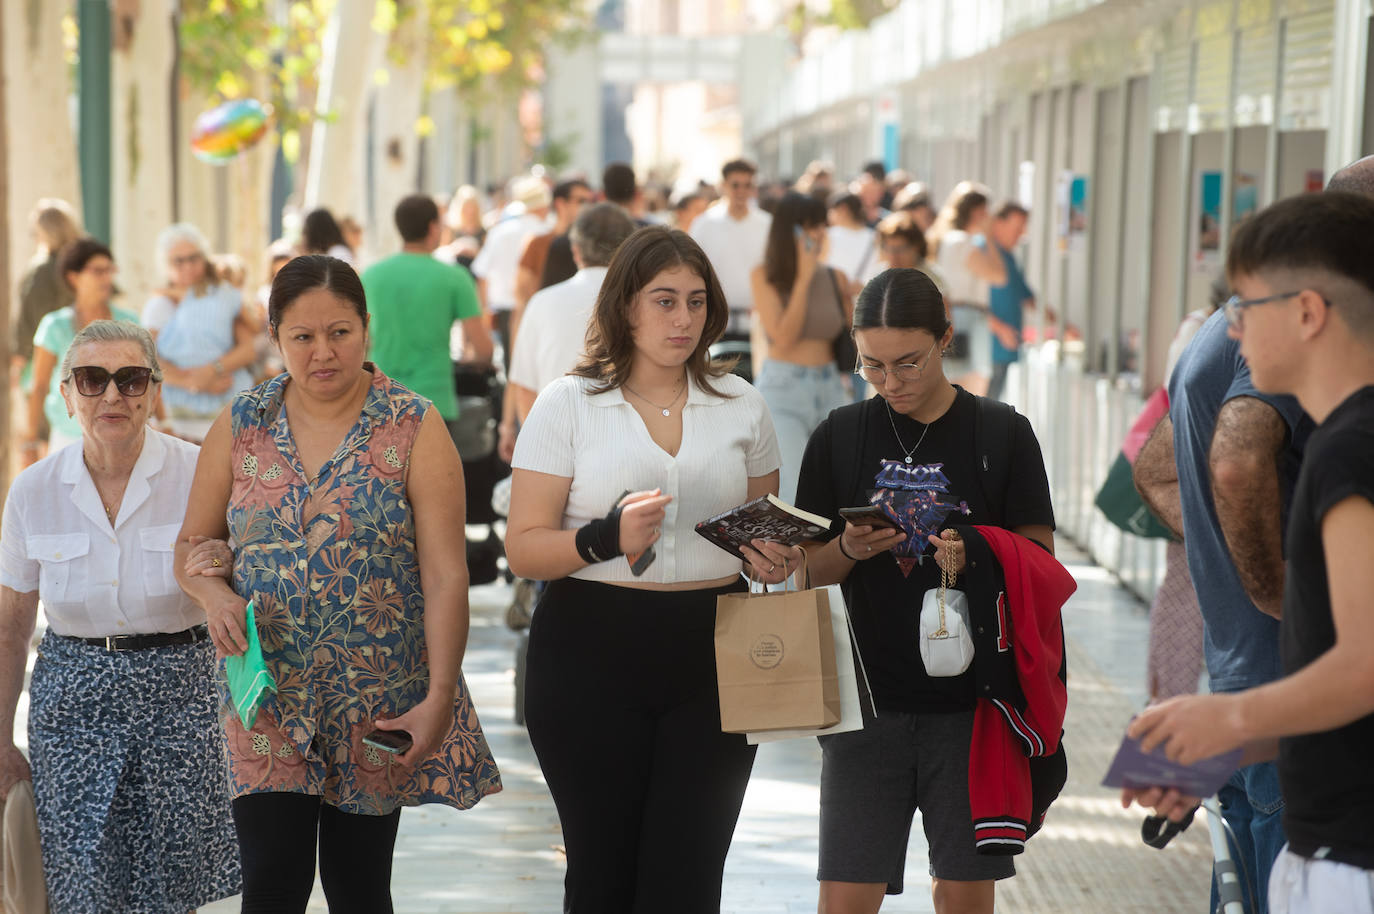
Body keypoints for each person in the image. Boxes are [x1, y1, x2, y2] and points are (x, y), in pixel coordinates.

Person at [173, 254, 501, 912]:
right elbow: (192, 544)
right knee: (271, 881)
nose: (323, 351)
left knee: (358, 885)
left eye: (340, 332)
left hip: (378, 697)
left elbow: (444, 573)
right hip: (265, 691)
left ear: (366, 328)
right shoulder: (243, 424)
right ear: (276, 336)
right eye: (303, 336)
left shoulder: (412, 425)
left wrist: (440, 694)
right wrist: (212, 592)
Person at [505, 225, 792, 913]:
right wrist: (602, 537)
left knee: (689, 880)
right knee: (602, 877)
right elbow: (523, 546)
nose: (684, 318)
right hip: (588, 654)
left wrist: (775, 559)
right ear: (625, 304)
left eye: (696, 301)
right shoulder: (567, 403)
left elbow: (767, 529)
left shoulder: (741, 403)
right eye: (664, 300)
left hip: (715, 654)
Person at [1126, 191, 1374, 914]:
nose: (1228, 328)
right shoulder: (1337, 441)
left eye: (1245, 308)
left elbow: (1362, 667)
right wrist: (1222, 741)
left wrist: (1229, 720)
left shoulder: (1350, 452)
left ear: (1307, 313)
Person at [793, 268, 1058, 914]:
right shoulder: (839, 436)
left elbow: (1045, 566)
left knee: (963, 897)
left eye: (908, 362)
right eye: (872, 367)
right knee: (843, 900)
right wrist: (849, 549)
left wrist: (982, 552)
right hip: (862, 710)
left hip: (974, 713)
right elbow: (803, 575)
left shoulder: (1000, 433)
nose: (892, 383)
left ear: (945, 339)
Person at [0, 320, 240, 912]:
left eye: (130, 379)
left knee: (173, 881)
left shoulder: (198, 473)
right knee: (80, 879)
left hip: (181, 695)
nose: (112, 396)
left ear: (154, 391)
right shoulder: (33, 490)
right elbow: (10, 625)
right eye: (92, 379)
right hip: (72, 700)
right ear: (66, 393)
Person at [1132, 264, 1312, 914]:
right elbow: (1235, 465)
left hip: (1241, 694)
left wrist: (1233, 562)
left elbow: (1156, 473)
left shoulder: (1223, 326)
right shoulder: (1300, 330)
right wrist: (1282, 597)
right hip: (1294, 699)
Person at [363, 193, 493, 452]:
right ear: (434, 227)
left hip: (380, 399)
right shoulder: (454, 277)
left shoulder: (371, 276)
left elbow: (362, 343)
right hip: (434, 402)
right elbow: (484, 350)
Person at [750, 191, 854, 503]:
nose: (821, 234)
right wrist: (803, 279)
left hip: (831, 386)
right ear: (790, 231)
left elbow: (853, 336)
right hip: (785, 389)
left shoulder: (836, 277)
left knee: (841, 487)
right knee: (792, 491)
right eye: (811, 227)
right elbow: (782, 337)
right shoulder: (764, 275)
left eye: (823, 226)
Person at [505, 202, 637, 446]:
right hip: (629, 441)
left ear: (575, 251)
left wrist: (536, 447)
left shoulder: (542, 302)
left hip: (556, 440)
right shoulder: (643, 301)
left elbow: (525, 387)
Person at [24, 239, 141, 461]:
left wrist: (163, 422)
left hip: (123, 438)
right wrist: (29, 441)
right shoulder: (54, 326)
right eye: (98, 271)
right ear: (73, 277)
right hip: (67, 438)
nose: (106, 278)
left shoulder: (129, 321)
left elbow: (148, 374)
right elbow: (39, 386)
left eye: (109, 270)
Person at [142, 222, 259, 442]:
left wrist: (212, 370)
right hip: (177, 419)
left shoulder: (222, 299)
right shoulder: (158, 305)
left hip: (227, 411)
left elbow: (248, 349)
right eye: (179, 260)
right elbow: (148, 360)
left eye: (193, 258)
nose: (187, 266)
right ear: (166, 265)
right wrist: (193, 382)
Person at [10, 200, 82, 457]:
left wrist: (18, 361)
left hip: (44, 361)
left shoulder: (42, 270)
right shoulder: (82, 264)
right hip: (80, 360)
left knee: (38, 438)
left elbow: (32, 319)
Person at [928, 183, 1006, 391]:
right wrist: (990, 237)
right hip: (967, 319)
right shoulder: (962, 242)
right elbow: (999, 276)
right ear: (975, 211)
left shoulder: (950, 240)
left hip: (961, 317)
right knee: (970, 388)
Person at [471, 175, 552, 370]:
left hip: (504, 311)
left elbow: (482, 276)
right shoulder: (546, 233)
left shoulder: (500, 232)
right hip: (536, 310)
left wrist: (484, 312)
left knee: (511, 371)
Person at [690, 159, 772, 344]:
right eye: (735, 185)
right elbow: (693, 269)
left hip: (757, 323)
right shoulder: (704, 224)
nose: (742, 191)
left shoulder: (767, 224)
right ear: (724, 186)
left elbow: (776, 271)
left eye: (747, 185)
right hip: (713, 323)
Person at [977, 203, 1050, 402]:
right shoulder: (983, 253)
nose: (1021, 234)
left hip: (1003, 350)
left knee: (990, 406)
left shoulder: (1008, 257)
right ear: (997, 224)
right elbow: (971, 303)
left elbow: (1027, 297)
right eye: (1017, 228)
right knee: (980, 408)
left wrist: (1061, 326)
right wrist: (999, 328)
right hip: (986, 349)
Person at [515, 178, 593, 310]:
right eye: (581, 201)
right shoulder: (537, 243)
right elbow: (522, 296)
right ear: (560, 203)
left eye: (591, 202)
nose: (587, 207)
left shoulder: (593, 244)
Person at [875, 211, 946, 293]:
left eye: (900, 249)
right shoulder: (878, 274)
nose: (893, 255)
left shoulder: (930, 278)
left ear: (915, 247)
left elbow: (944, 303)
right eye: (888, 248)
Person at [827, 192, 882, 289]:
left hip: (834, 295)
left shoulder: (827, 236)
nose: (828, 215)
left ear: (843, 209)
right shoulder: (875, 237)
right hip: (865, 297)